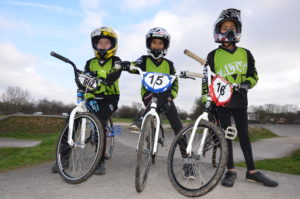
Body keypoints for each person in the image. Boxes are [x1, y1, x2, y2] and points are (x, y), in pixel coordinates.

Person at [202, 8, 278, 187]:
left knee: (243, 135)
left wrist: (247, 84)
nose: (228, 30)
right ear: (218, 31)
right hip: (221, 102)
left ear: (237, 31)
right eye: (224, 27)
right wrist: (207, 101)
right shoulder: (213, 55)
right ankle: (230, 171)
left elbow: (254, 75)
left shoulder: (246, 53)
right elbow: (207, 80)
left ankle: (252, 171)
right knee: (226, 136)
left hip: (240, 100)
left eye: (232, 27)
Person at [52, 27, 122, 175]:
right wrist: (86, 90)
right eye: (100, 42)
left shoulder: (116, 61)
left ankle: (100, 160)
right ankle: (63, 158)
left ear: (112, 45)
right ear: (95, 45)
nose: (102, 45)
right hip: (92, 97)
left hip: (109, 98)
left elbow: (116, 72)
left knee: (100, 122)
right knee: (72, 118)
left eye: (106, 42)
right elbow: (86, 82)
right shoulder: (90, 63)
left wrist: (110, 77)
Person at [120, 27, 191, 174]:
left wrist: (172, 95)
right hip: (148, 95)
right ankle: (143, 122)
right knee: (154, 96)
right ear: (149, 44)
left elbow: (175, 83)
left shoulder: (169, 64)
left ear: (165, 46)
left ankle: (188, 162)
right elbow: (134, 66)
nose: (157, 46)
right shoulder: (144, 60)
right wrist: (126, 65)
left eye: (160, 43)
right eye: (154, 43)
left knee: (178, 126)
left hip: (166, 98)